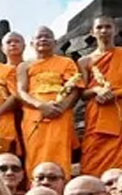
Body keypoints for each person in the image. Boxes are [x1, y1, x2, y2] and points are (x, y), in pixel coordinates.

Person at [79, 16, 122, 174]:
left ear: (115, 30)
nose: (104, 31)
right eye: (99, 27)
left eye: (108, 27)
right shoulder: (85, 61)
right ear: (92, 32)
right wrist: (96, 90)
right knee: (92, 156)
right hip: (97, 112)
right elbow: (82, 93)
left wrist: (115, 94)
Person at [18, 27, 81, 177]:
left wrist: (61, 108)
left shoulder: (66, 62)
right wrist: (40, 105)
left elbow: (76, 87)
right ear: (32, 43)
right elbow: (21, 92)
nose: (43, 40)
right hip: (34, 116)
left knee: (60, 154)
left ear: (55, 42)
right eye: (39, 37)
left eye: (47, 37)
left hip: (60, 115)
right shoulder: (24, 66)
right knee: (35, 154)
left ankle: (60, 189)